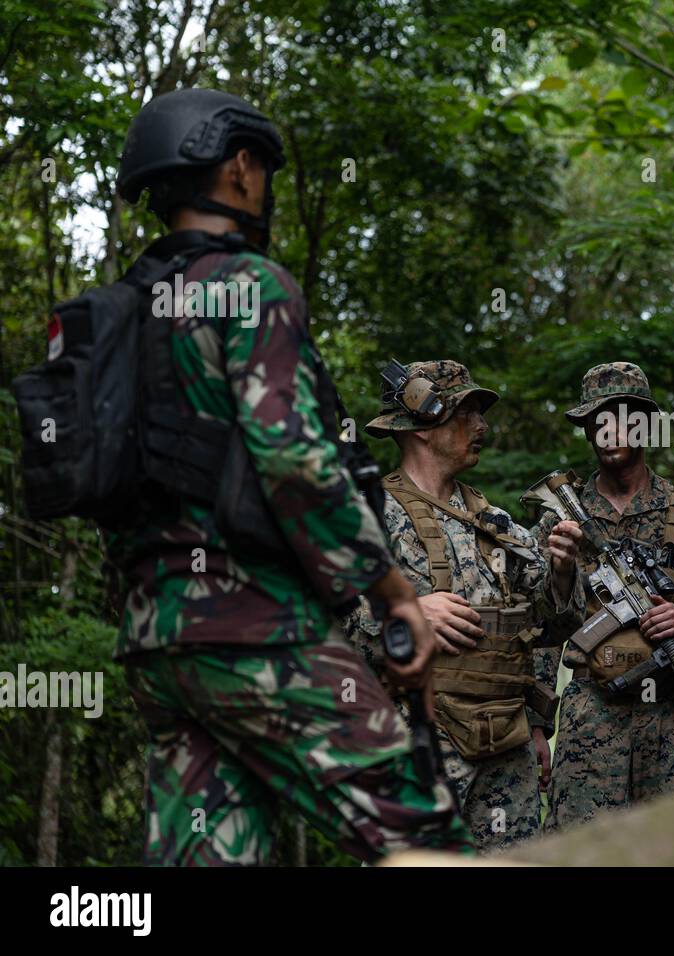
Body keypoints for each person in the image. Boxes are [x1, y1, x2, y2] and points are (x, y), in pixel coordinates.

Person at [112, 88, 469, 864]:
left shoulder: (127, 309)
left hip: (156, 642)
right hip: (252, 628)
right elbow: (296, 465)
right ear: (239, 168)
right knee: (418, 827)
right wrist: (391, 592)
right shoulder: (251, 287)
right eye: (264, 171)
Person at [345, 359, 585, 850]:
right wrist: (407, 613)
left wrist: (562, 571)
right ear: (422, 425)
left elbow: (548, 626)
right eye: (465, 413)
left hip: (505, 750)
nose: (482, 426)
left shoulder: (493, 521)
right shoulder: (366, 515)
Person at [531, 363, 674, 829]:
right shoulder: (561, 517)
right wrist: (536, 724)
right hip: (592, 716)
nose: (610, 430)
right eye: (598, 419)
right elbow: (540, 629)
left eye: (625, 417)